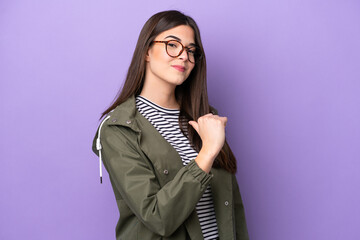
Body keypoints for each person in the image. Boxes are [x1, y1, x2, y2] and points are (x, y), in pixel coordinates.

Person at [92, 10, 249, 240]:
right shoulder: (119, 129)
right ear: (147, 51)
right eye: (172, 45)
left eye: (191, 50)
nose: (184, 56)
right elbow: (157, 217)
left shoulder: (205, 119)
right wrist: (206, 154)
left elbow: (232, 207)